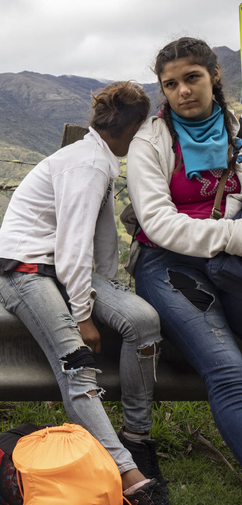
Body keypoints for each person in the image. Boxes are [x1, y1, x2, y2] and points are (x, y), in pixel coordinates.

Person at [0, 81, 171, 504]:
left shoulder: (101, 158)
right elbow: (73, 245)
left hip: (63, 272)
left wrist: (104, 291)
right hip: (26, 272)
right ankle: (127, 474)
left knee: (144, 322)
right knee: (78, 362)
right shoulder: (87, 164)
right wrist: (84, 315)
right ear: (132, 127)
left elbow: (102, 239)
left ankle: (137, 438)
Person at [126, 37, 242, 465]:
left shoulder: (237, 132)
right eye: (170, 84)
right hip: (167, 264)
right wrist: (232, 235)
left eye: (191, 78)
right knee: (230, 373)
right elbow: (158, 223)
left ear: (213, 75)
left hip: (229, 263)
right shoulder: (150, 142)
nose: (183, 92)